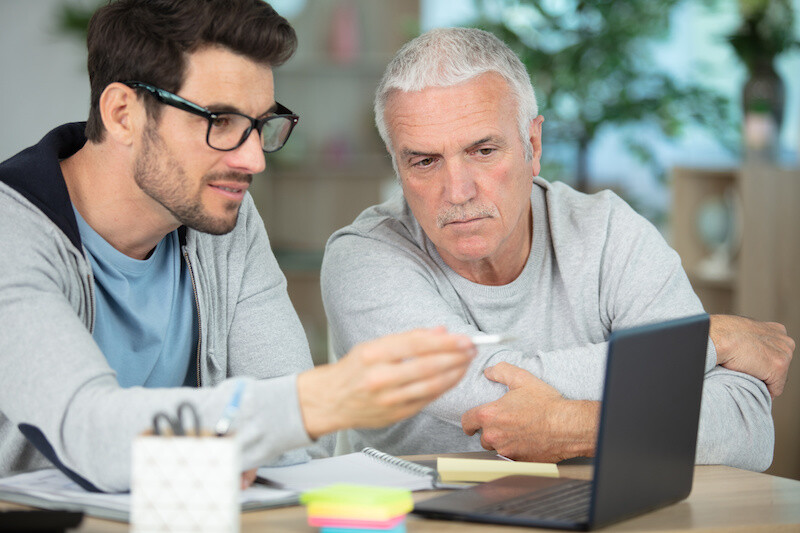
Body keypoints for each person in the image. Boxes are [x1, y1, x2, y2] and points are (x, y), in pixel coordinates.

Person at [0, 1, 477, 493]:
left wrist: (247, 437)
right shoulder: (11, 232)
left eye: (260, 125)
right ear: (123, 114)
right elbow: (87, 429)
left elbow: (295, 451)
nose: (253, 160)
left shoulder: (225, 220)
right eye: (221, 120)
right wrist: (317, 400)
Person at [321, 27, 795, 471]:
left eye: (483, 151)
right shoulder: (364, 259)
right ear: (398, 167)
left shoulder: (608, 233)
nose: (458, 191)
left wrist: (580, 427)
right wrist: (705, 342)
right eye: (425, 162)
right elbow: (485, 394)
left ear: (533, 143)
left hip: (603, 513)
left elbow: (745, 429)